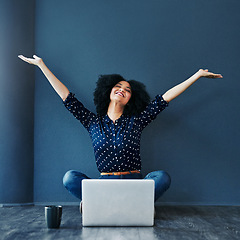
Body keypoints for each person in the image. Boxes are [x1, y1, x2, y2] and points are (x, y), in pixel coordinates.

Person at [18, 55, 223, 203]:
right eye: (118, 86)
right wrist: (41, 65)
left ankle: (133, 205)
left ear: (131, 99)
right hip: (104, 185)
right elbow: (67, 98)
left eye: (127, 90)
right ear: (108, 91)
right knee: (70, 177)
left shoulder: (137, 121)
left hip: (135, 184)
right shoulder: (92, 122)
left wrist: (196, 75)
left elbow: (165, 98)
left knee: (162, 177)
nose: (122, 90)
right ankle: (99, 203)